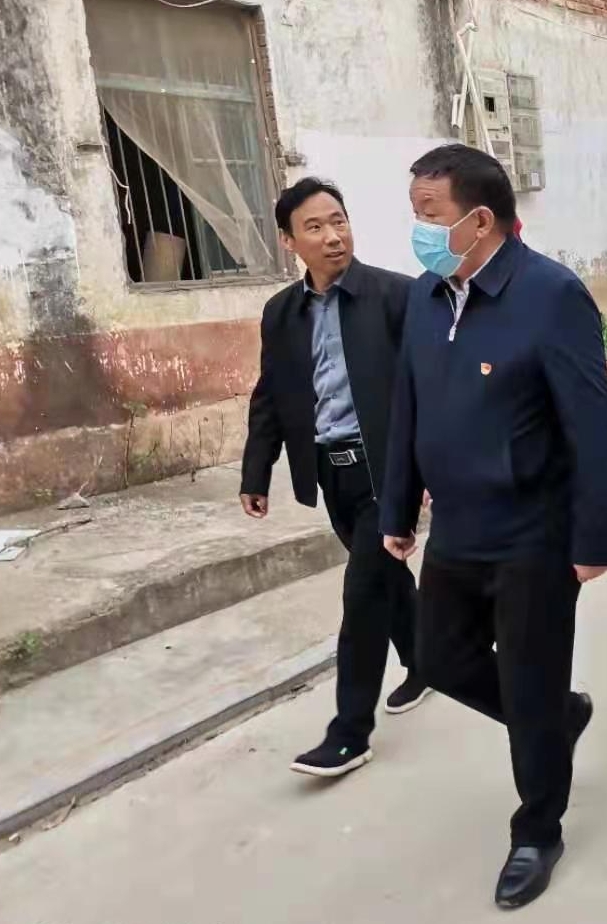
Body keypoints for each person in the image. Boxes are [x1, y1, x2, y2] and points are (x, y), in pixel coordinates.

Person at [379, 144, 607, 909]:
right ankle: (557, 716)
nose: (418, 230)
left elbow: (591, 423)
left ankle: (537, 831)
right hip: (456, 527)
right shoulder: (426, 297)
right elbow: (407, 408)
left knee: (527, 676)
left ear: (480, 221)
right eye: (415, 214)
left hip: (532, 533)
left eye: (430, 215)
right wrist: (396, 508)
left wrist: (593, 536)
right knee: (438, 658)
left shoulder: (550, 295)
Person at [240, 178, 427, 778]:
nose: (332, 236)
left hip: (386, 470)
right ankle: (425, 661)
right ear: (289, 241)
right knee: (385, 576)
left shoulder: (397, 296)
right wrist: (256, 470)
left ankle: (350, 733)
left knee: (362, 593)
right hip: (331, 471)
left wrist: (427, 468)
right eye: (315, 227)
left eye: (338, 221)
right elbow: (271, 394)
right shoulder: (281, 313)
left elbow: (430, 386)